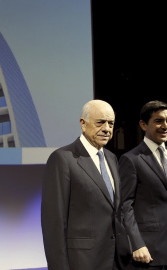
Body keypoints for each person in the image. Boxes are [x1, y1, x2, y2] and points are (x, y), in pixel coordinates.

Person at [41, 99, 131, 270]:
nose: (107, 129)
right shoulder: (63, 159)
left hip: (117, 260)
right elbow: (54, 223)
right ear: (83, 124)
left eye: (111, 123)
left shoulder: (112, 159)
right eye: (100, 123)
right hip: (83, 262)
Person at [119, 100, 167, 270]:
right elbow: (125, 206)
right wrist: (136, 243)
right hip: (149, 251)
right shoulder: (131, 159)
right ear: (143, 124)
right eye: (158, 121)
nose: (165, 126)